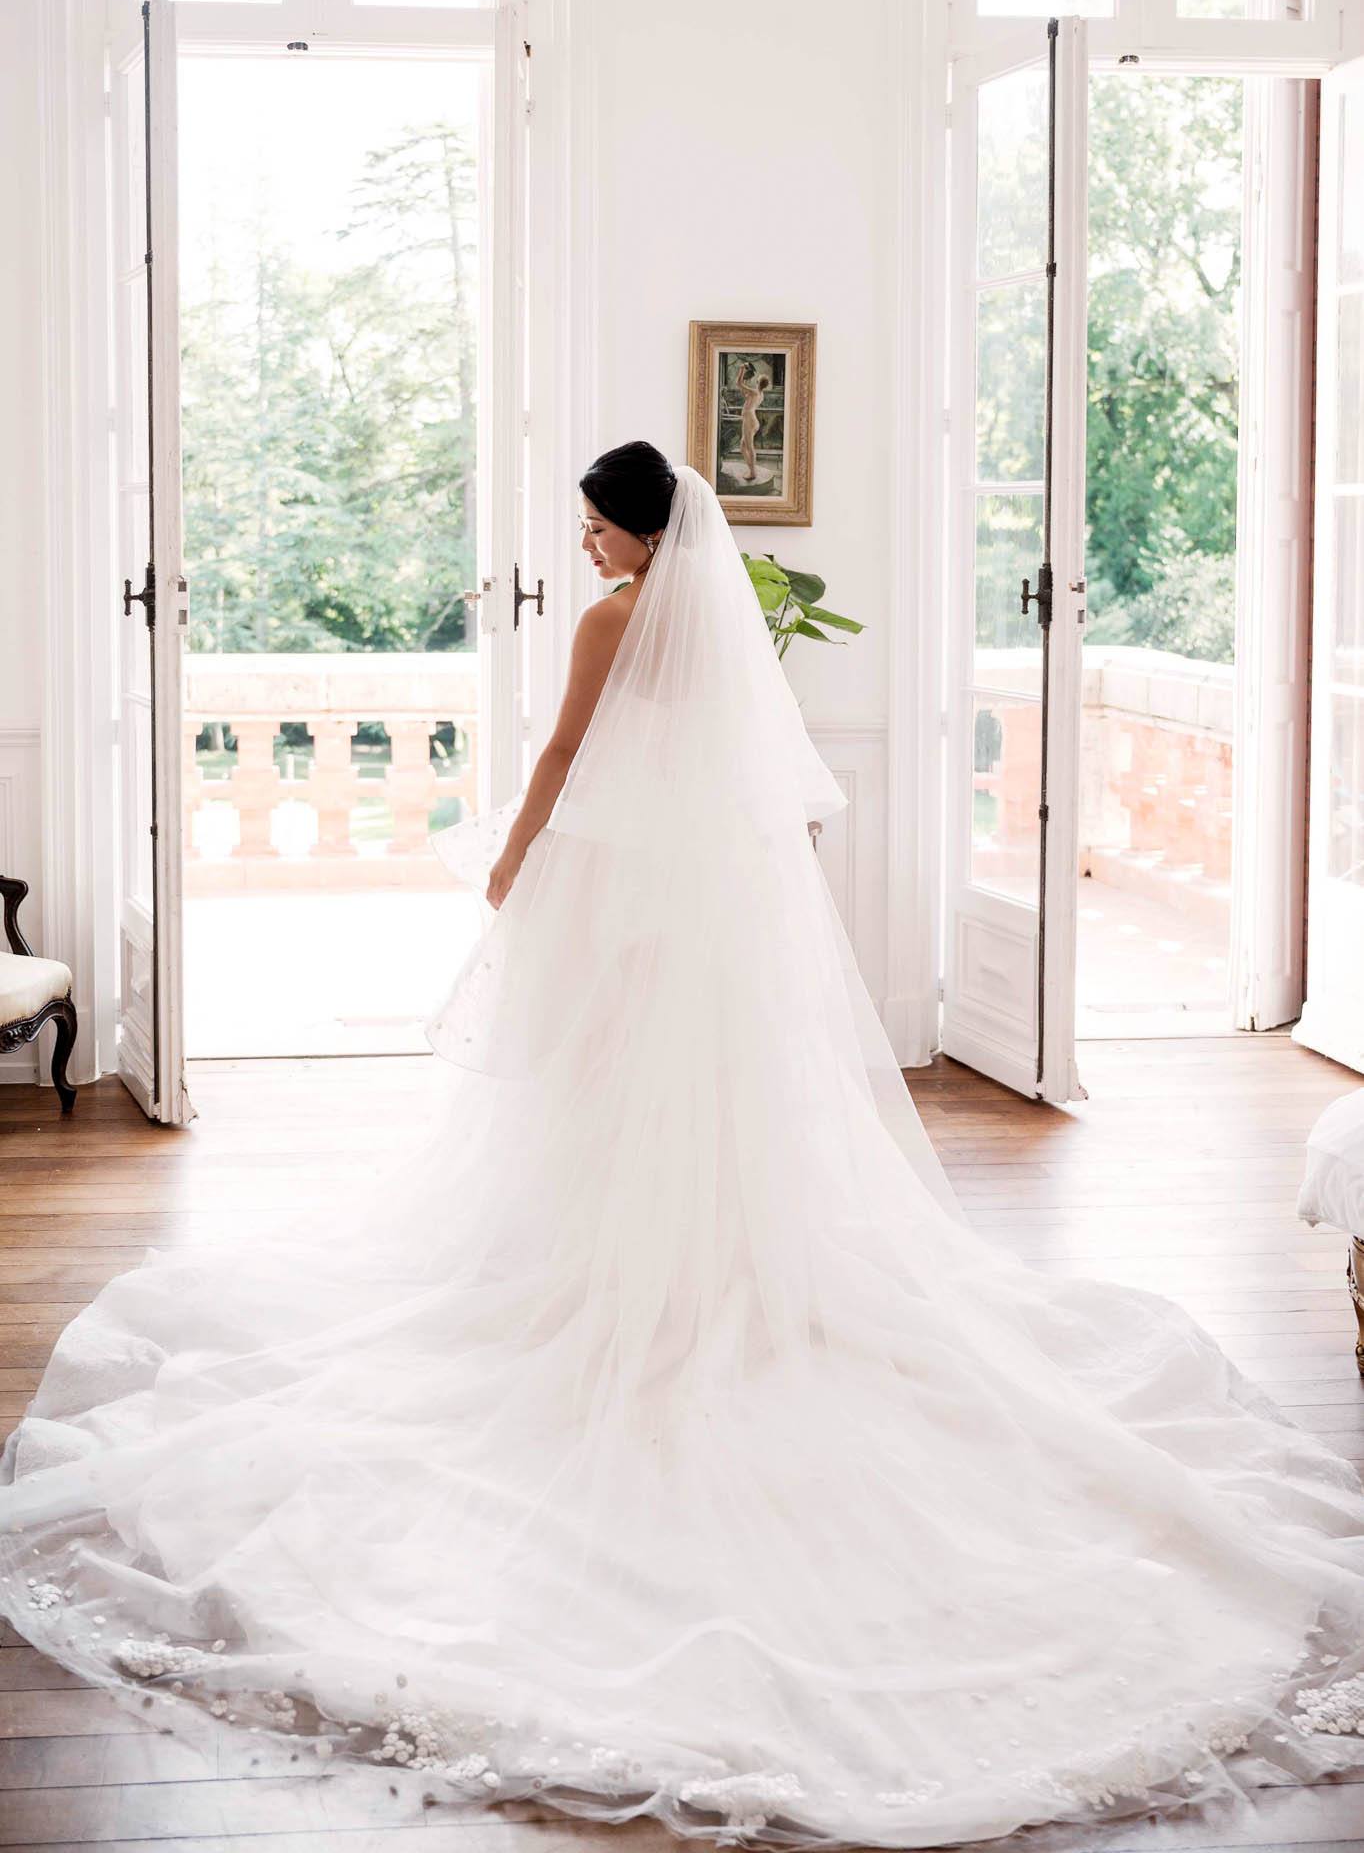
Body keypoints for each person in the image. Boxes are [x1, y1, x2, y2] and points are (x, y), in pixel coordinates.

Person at [4, 440, 1364, 1851]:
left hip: (621, 905)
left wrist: (510, 861)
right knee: (702, 1117)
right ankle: (705, 1288)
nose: (584, 547)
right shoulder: (716, 634)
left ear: (644, 536)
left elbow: (562, 753)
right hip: (701, 925)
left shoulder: (615, 619)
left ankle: (620, 1302)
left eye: (596, 527)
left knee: (600, 1104)